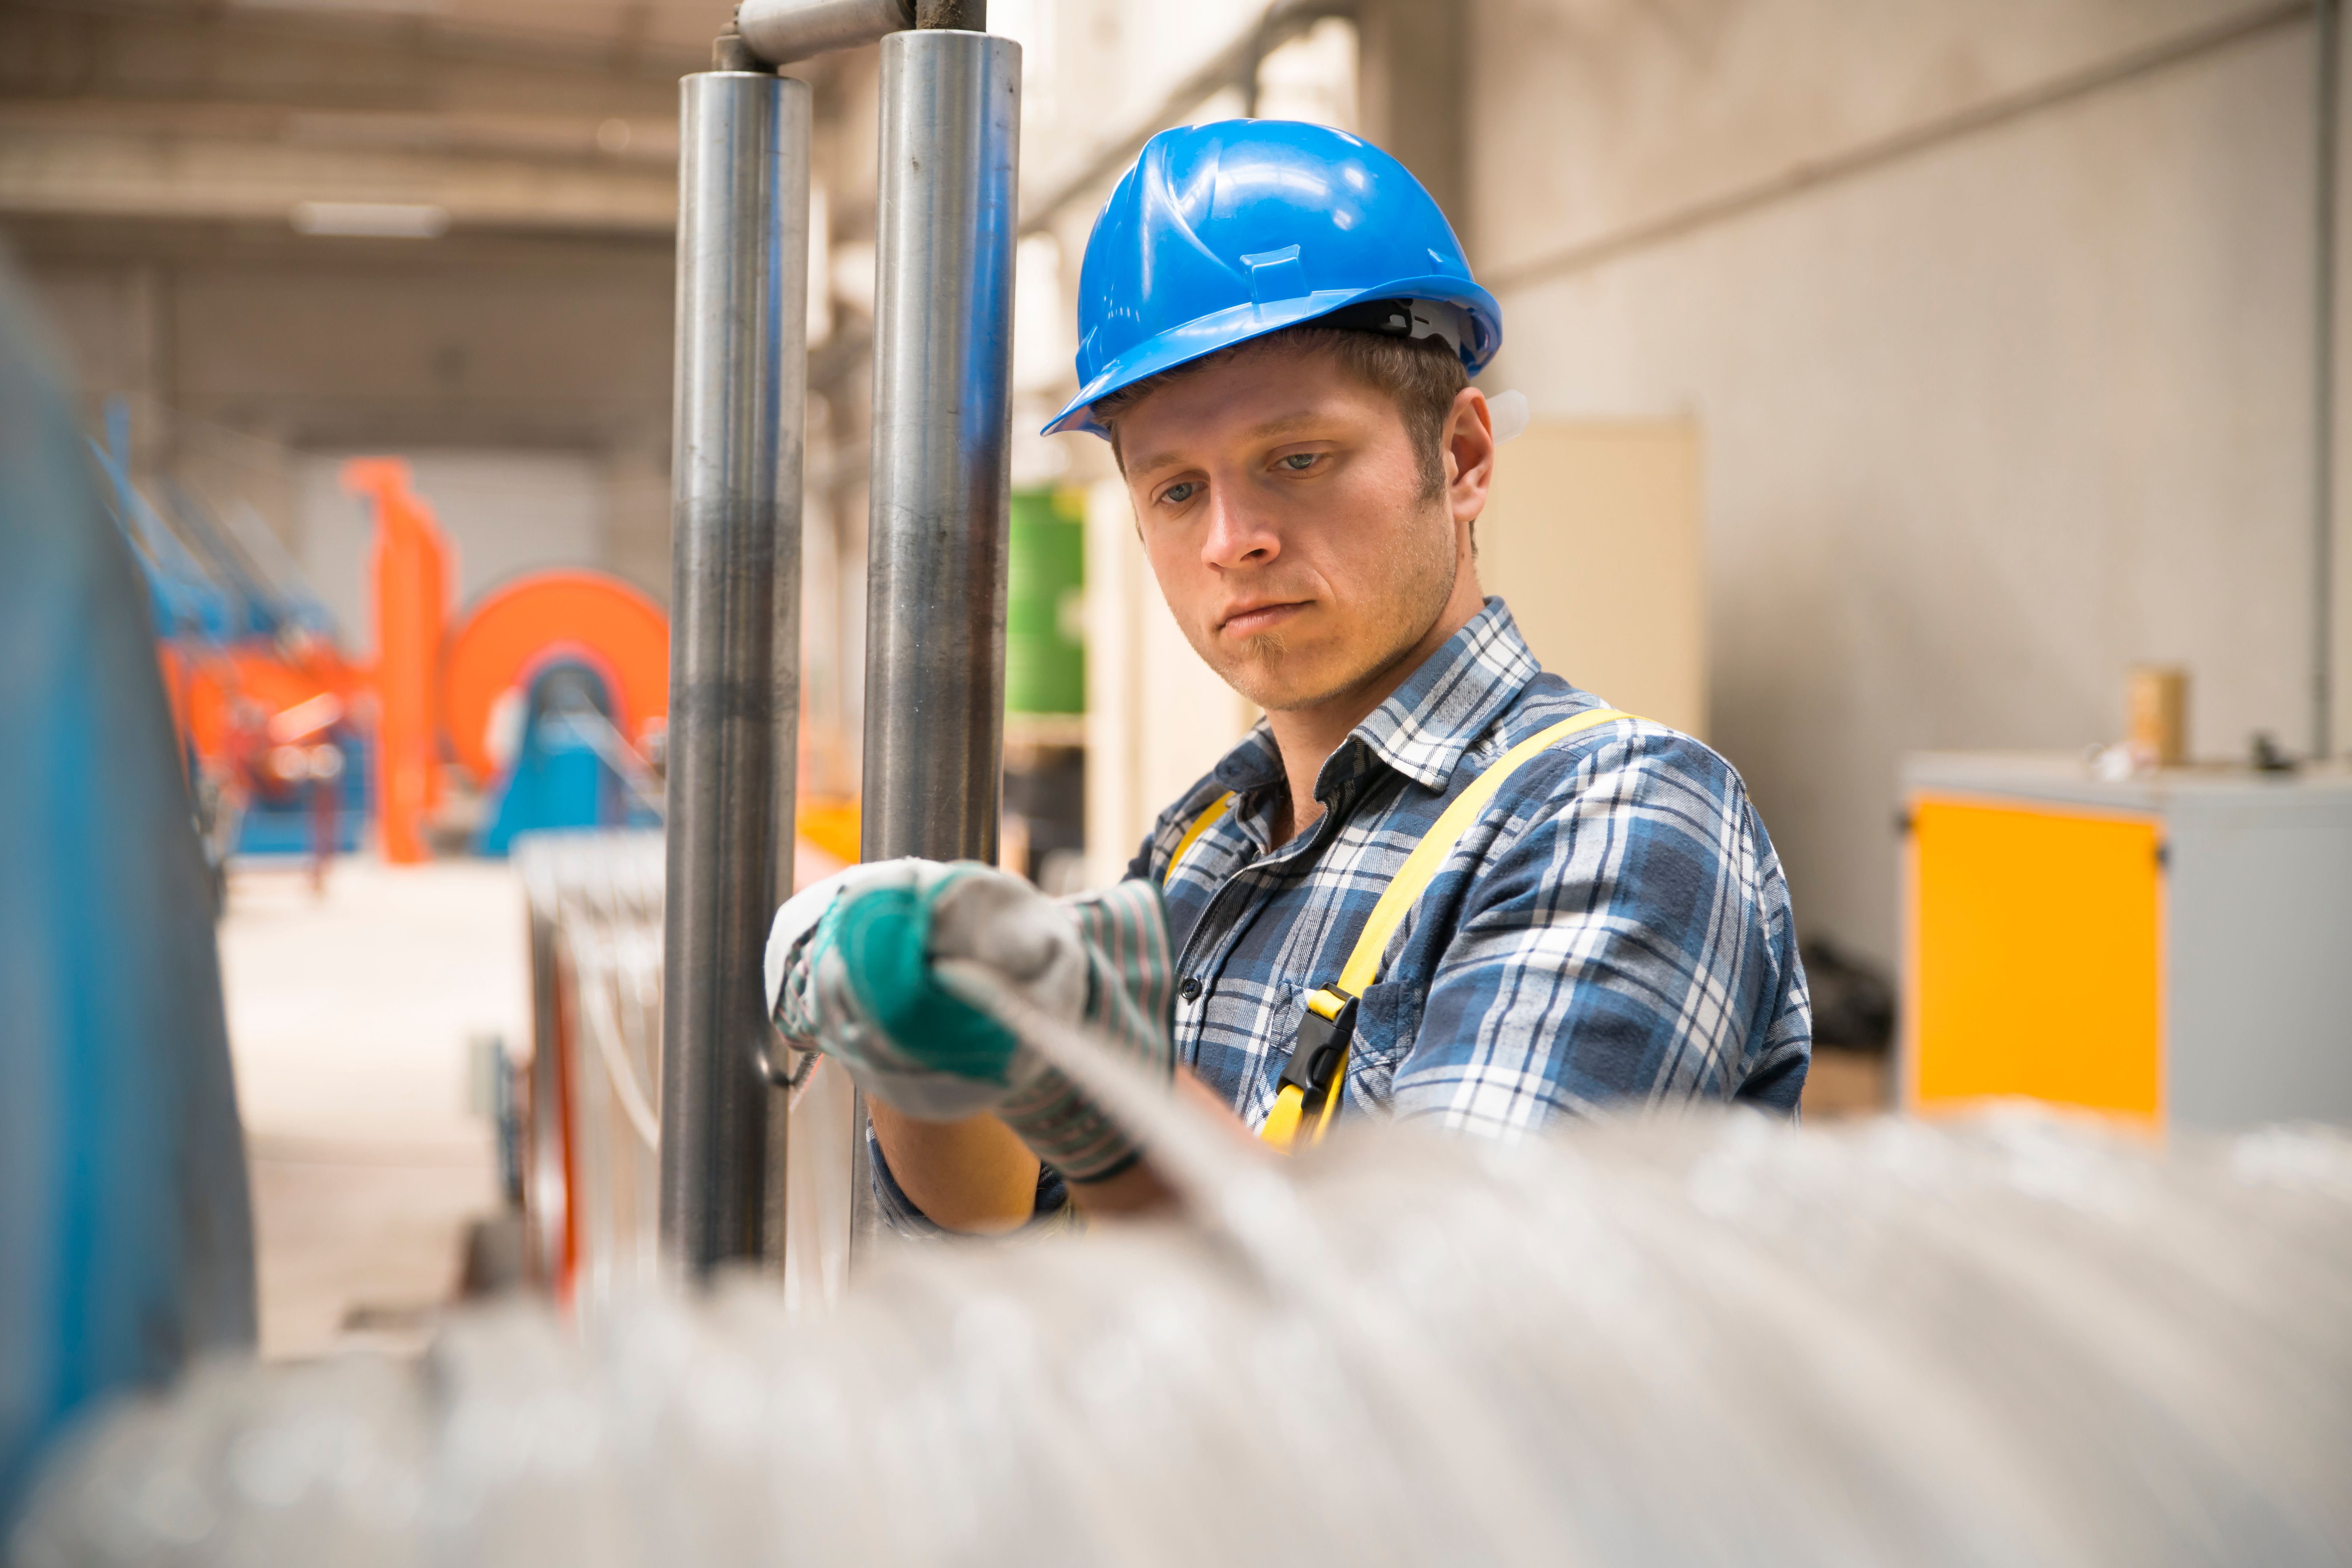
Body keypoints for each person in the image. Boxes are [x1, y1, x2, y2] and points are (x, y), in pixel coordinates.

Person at [768, 120, 1810, 1234]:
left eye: (1297, 460)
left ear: (1460, 458)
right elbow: (1013, 1247)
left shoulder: (1620, 818)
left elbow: (1426, 1334)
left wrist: (1083, 1074)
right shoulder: (1206, 843)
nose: (1232, 540)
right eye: (1175, 490)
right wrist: (925, 1058)